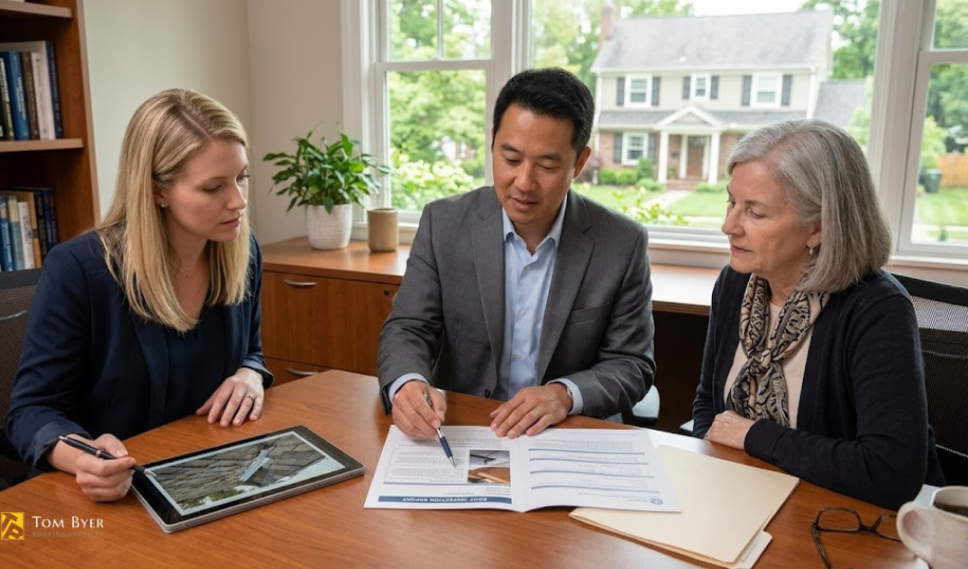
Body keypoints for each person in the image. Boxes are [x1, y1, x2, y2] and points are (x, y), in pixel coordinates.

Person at [7, 89, 273, 502]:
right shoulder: (79, 270)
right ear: (156, 191)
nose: (238, 201)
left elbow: (251, 352)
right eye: (213, 188)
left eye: (242, 177)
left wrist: (250, 376)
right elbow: (30, 412)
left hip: (206, 477)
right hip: (110, 493)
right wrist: (83, 457)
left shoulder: (243, 252)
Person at [377, 68, 655, 441]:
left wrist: (564, 395)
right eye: (510, 159)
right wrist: (407, 382)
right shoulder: (443, 223)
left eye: (547, 166)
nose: (524, 183)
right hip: (464, 430)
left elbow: (631, 364)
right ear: (493, 141)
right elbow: (409, 327)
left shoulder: (621, 243)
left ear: (580, 162)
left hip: (565, 434)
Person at [692, 119, 944, 509]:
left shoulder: (876, 310)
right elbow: (709, 401)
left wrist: (754, 436)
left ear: (818, 228)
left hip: (842, 517)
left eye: (755, 213)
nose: (729, 226)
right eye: (731, 202)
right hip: (741, 499)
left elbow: (890, 471)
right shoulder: (736, 283)